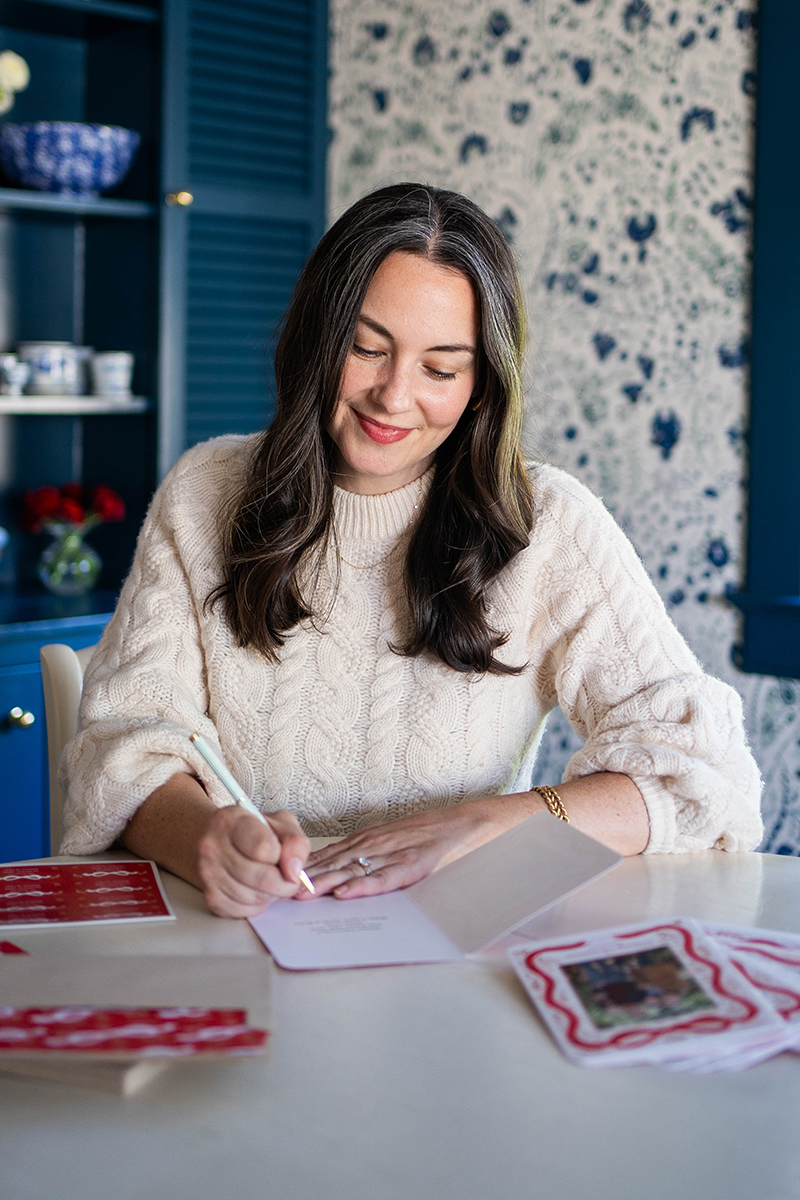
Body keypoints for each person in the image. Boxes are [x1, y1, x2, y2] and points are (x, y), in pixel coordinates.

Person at [61, 183, 763, 918]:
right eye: (366, 348)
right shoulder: (206, 492)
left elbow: (705, 773)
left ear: (483, 384)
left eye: (440, 368)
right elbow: (124, 744)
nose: (393, 397)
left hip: (454, 948)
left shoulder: (548, 524)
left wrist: (490, 823)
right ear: (316, 339)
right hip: (240, 938)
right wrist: (207, 838)